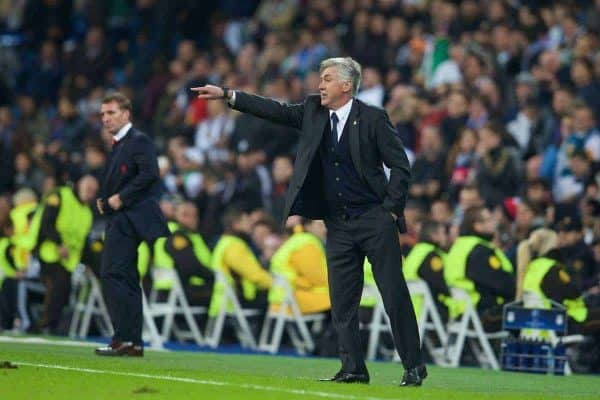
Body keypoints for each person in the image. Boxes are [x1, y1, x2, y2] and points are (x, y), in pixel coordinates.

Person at [192, 56, 426, 386]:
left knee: (393, 293)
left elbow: (400, 166)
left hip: (374, 219)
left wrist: (390, 209)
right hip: (338, 224)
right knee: (342, 300)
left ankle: (413, 366)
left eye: (327, 78)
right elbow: (275, 110)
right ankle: (353, 369)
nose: (320, 84)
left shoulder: (372, 118)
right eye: (320, 78)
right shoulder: (314, 111)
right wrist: (230, 95)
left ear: (347, 85)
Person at [95, 92, 169, 357]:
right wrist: (105, 201)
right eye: (103, 114)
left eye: (111, 113)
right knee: (125, 278)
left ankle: (124, 338)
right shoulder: (120, 144)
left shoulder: (138, 141)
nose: (106, 118)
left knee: (114, 275)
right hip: (122, 217)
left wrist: (119, 198)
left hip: (129, 218)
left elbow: (150, 173)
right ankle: (132, 342)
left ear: (126, 114)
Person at [34, 175, 98, 333]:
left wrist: (89, 263)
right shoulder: (60, 195)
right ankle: (45, 326)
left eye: (93, 191)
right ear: (79, 185)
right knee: (58, 287)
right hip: (50, 253)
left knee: (63, 291)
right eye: (88, 188)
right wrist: (59, 243)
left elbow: (82, 243)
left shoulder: (87, 213)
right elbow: (46, 223)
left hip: (69, 261)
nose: (90, 193)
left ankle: (47, 325)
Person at [445, 206, 515, 331]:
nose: (494, 223)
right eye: (489, 220)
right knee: (528, 311)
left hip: (462, 313)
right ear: (477, 226)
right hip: (481, 315)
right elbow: (504, 285)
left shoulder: (459, 246)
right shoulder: (480, 251)